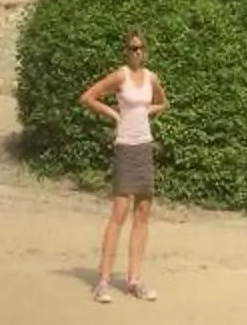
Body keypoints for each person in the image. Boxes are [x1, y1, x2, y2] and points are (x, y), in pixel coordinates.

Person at [78, 33, 167, 303]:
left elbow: (164, 102)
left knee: (142, 212)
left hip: (144, 147)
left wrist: (146, 112)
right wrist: (115, 114)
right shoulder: (121, 76)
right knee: (119, 212)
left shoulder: (151, 78)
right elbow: (88, 97)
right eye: (133, 48)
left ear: (146, 51)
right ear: (126, 52)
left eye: (141, 48)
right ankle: (103, 282)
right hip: (125, 147)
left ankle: (134, 280)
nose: (137, 52)